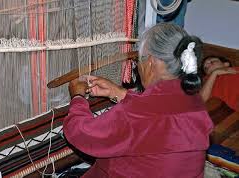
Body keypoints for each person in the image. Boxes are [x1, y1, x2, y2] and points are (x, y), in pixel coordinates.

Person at [63, 23, 214, 178]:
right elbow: (158, 115)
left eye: (138, 60)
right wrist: (120, 93)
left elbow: (83, 134)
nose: (138, 67)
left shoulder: (137, 112)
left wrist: (77, 97)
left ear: (150, 62)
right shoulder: (193, 99)